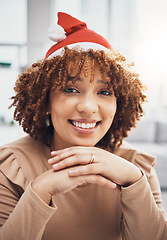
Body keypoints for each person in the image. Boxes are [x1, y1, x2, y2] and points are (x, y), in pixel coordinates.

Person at [0, 12, 166, 240]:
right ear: (45, 99)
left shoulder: (137, 168)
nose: (88, 107)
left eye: (105, 92)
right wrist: (40, 191)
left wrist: (134, 183)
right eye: (70, 89)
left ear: (120, 103)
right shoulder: (11, 165)